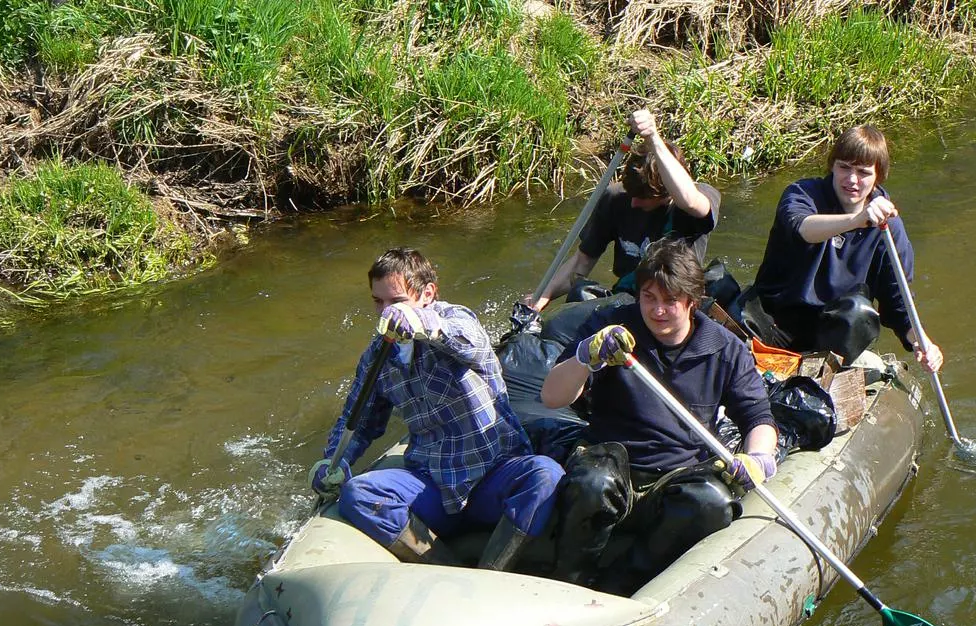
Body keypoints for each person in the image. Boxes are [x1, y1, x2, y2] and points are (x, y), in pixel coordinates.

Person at [540, 238, 779, 594]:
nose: (658, 311)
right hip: (611, 462)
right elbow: (551, 397)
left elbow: (758, 417)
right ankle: (569, 584)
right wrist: (585, 359)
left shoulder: (725, 349)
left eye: (670, 301)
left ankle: (622, 584)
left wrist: (760, 457)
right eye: (649, 298)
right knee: (592, 483)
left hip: (678, 474)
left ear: (691, 303)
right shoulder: (612, 328)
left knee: (712, 503)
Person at [309, 248, 564, 572]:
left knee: (544, 473)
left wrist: (421, 323)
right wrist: (333, 461)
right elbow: (357, 424)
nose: (385, 312)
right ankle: (447, 570)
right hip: (433, 484)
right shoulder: (378, 357)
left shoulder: (454, 321)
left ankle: (493, 573)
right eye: (378, 302)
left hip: (492, 476)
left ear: (427, 294)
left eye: (396, 301)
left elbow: (470, 341)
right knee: (359, 493)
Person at [734, 125, 944, 373]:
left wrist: (922, 342)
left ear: (878, 176)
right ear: (832, 165)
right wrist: (857, 221)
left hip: (832, 337)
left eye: (863, 172)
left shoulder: (889, 228)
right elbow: (802, 229)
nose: (852, 180)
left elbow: (898, 305)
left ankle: (827, 374)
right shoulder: (801, 194)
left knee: (857, 313)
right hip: (775, 323)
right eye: (844, 167)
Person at [527, 109, 721, 312]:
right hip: (628, 299)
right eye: (630, 193)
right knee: (577, 301)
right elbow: (581, 262)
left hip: (670, 305)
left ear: (667, 195)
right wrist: (542, 296)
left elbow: (689, 201)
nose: (633, 203)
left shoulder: (696, 200)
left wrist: (653, 138)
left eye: (643, 199)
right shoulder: (615, 198)